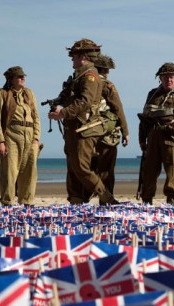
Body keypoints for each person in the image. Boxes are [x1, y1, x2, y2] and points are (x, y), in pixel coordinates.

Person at [49, 38, 118, 205]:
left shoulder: (90, 76)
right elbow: (70, 97)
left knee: (81, 166)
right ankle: (75, 200)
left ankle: (106, 197)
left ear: (83, 57)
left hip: (84, 128)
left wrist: (63, 113)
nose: (72, 59)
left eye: (74, 56)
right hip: (72, 127)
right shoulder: (77, 77)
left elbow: (85, 101)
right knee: (73, 167)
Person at [138, 63, 174, 205]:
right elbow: (144, 119)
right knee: (149, 172)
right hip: (153, 137)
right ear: (160, 78)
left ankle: (172, 200)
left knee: (173, 172)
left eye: (172, 76)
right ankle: (146, 200)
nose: (169, 79)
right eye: (166, 77)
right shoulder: (152, 94)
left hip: (172, 137)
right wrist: (142, 139)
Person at [0, 66, 41, 206]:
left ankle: (27, 203)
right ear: (10, 79)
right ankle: (8, 203)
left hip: (30, 138)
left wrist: (36, 138)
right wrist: (0, 141)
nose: (22, 78)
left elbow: (36, 117)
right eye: (19, 76)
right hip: (11, 137)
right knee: (9, 173)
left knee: (30, 174)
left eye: (23, 76)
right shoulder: (2, 94)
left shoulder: (29, 94)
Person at [90, 54, 129, 197]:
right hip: (106, 135)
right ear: (106, 71)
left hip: (86, 135)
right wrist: (125, 131)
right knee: (106, 169)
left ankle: (83, 201)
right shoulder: (107, 85)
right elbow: (118, 107)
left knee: (88, 168)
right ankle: (106, 198)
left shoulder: (84, 83)